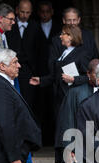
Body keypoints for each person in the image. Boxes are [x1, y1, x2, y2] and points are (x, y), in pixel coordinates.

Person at [30, 24, 90, 128]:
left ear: (70, 36)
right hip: (59, 97)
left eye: (63, 34)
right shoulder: (64, 52)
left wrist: (73, 79)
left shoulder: (82, 54)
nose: (60, 36)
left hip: (72, 98)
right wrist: (41, 80)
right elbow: (55, 76)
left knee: (71, 127)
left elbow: (88, 77)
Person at [6, 0, 42, 118]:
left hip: (29, 72)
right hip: (11, 69)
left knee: (28, 102)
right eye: (22, 12)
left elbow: (39, 51)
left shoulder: (35, 27)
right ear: (16, 10)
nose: (25, 15)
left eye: (28, 12)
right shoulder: (10, 24)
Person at [37, 0, 62, 146]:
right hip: (40, 74)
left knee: (55, 108)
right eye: (42, 11)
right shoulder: (34, 27)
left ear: (52, 12)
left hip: (56, 76)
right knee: (39, 108)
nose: (45, 14)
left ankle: (55, 142)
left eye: (48, 11)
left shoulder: (59, 28)